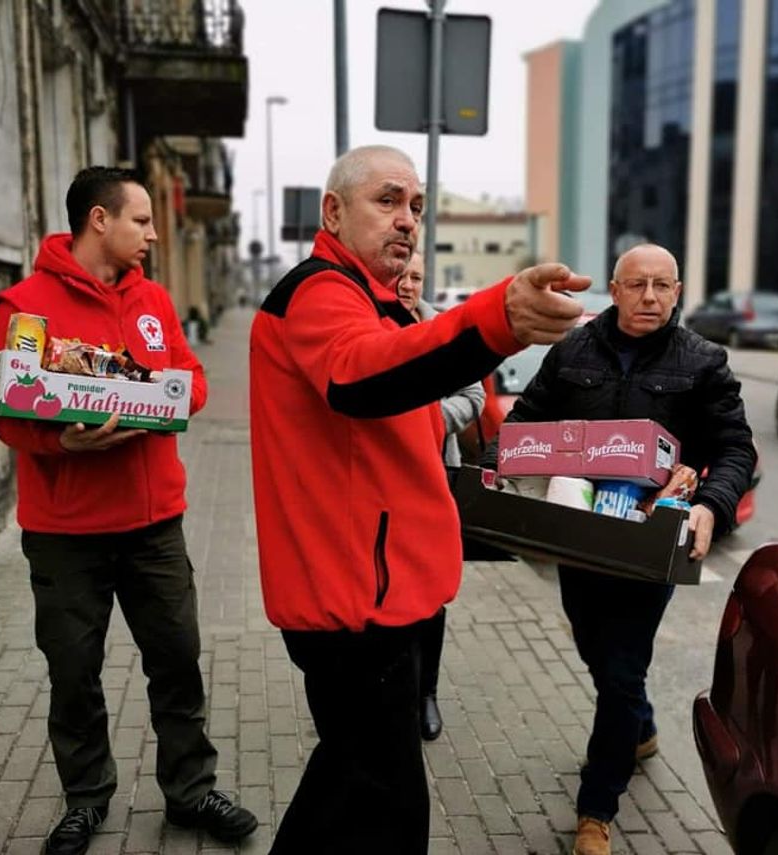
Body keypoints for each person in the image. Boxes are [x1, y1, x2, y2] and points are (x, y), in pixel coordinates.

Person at [249, 144, 589, 854]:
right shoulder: (318, 290)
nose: (408, 220)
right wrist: (495, 319)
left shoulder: (374, 300)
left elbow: (409, 407)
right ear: (333, 213)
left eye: (417, 206)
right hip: (353, 601)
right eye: (388, 200)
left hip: (378, 589)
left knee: (361, 785)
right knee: (383, 799)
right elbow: (358, 378)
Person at [0, 167, 257, 855]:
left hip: (153, 525)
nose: (153, 233)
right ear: (99, 221)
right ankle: (85, 798)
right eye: (141, 220)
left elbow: (192, 380)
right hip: (65, 533)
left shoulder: (155, 301)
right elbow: (7, 413)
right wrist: (61, 439)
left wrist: (167, 397)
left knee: (178, 659)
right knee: (73, 672)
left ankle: (191, 789)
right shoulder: (23, 305)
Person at [485, 243, 756, 855]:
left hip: (647, 541)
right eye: (637, 285)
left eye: (662, 286)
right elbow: (525, 423)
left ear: (678, 292)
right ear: (614, 288)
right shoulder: (572, 350)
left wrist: (712, 502)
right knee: (594, 648)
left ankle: (595, 811)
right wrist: (493, 469)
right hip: (579, 538)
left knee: (621, 667)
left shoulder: (704, 361)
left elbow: (735, 448)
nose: (650, 298)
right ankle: (642, 727)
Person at [395, 251, 486, 741]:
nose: (408, 285)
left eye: (416, 278)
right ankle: (397, 691)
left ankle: (426, 692)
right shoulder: (370, 326)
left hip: (437, 470)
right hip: (384, 479)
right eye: (401, 276)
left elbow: (473, 398)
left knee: (430, 589)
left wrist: (423, 421)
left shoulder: (445, 329)